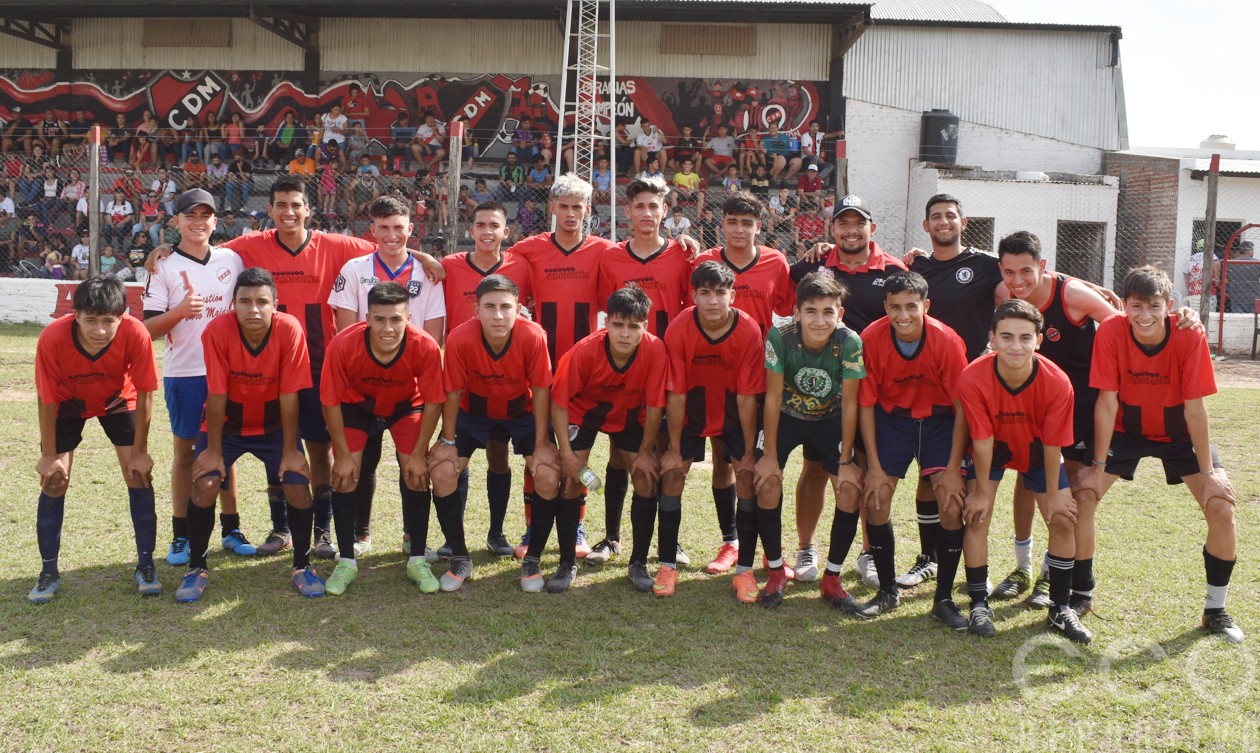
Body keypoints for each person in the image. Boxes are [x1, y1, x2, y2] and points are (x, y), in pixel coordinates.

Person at [1073, 266, 1243, 644]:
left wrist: (1209, 474)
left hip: (1179, 433)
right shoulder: (1112, 331)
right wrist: (1097, 465)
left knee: (1221, 508)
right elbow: (1107, 402)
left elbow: (1195, 409)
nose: (1144, 315)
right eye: (1136, 305)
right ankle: (1081, 593)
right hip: (1125, 431)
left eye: (1154, 305)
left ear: (1169, 305)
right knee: (1083, 497)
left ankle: (1215, 610)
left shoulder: (1188, 333)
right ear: (1124, 305)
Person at [989, 231, 1119, 606]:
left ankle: (1051, 571)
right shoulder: (1004, 295)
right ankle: (1022, 567)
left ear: (1043, 267)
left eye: (1026, 271)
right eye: (1009, 272)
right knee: (1026, 477)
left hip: (1078, 404)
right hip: (1031, 401)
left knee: (1066, 485)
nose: (1017, 281)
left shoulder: (1072, 295)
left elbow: (1120, 326)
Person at [179, 267, 323, 602]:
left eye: (262, 301)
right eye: (245, 301)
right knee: (205, 485)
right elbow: (217, 393)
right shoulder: (218, 330)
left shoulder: (289, 329)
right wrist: (214, 451)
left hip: (274, 426)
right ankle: (196, 567)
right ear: (234, 304)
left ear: (275, 303)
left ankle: (302, 565)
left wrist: (290, 450)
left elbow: (290, 394)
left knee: (297, 486)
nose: (253, 309)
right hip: (228, 425)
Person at [957, 299, 1089, 642]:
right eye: (1007, 337)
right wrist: (981, 493)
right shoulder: (973, 376)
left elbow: (1053, 443)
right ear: (992, 338)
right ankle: (979, 604)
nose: (1016, 346)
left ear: (1038, 341)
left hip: (1037, 449)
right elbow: (982, 440)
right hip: (993, 449)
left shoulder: (1057, 381)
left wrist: (1056, 494)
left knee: (1062, 519)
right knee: (977, 516)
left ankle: (1059, 607)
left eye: (1025, 337)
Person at [29, 276, 160, 603]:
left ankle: (146, 565)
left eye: (108, 321)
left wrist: (141, 451)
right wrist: (49, 455)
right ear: (75, 315)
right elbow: (46, 399)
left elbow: (146, 392)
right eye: (90, 320)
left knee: (137, 474)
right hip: (67, 402)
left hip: (118, 399)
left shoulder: (136, 332)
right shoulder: (52, 337)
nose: (99, 330)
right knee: (55, 480)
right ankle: (48, 572)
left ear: (122, 316)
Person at [141, 188, 250, 567]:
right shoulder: (163, 266)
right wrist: (179, 312)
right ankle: (181, 534)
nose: (198, 222)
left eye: (206, 215)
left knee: (224, 451)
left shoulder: (232, 259)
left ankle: (231, 529)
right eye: (190, 215)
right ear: (177, 221)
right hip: (184, 374)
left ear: (215, 221)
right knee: (186, 453)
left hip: (227, 373)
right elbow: (147, 330)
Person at [430, 275, 560, 592]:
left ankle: (532, 559)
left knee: (546, 473)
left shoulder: (533, 335)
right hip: (474, 413)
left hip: (521, 413)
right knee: (443, 470)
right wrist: (447, 441)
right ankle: (460, 557)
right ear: (476, 310)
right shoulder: (460, 338)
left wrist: (542, 443)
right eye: (489, 307)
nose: (498, 315)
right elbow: (453, 392)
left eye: (506, 307)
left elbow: (541, 389)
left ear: (518, 309)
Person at [855, 271, 969, 624]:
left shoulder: (946, 340)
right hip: (894, 421)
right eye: (895, 307)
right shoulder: (870, 338)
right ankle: (887, 591)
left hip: (939, 422)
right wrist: (874, 467)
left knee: (951, 503)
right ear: (885, 307)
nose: (903, 315)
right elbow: (866, 405)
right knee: (875, 498)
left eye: (911, 306)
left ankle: (943, 599)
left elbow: (962, 407)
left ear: (926, 306)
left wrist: (954, 468)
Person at [320, 282, 447, 595]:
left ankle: (417, 558)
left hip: (406, 405)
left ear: (408, 318)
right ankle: (346, 562)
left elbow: (434, 401)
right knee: (345, 475)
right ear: (367, 318)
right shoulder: (343, 344)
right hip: (357, 406)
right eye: (379, 319)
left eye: (396, 320)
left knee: (416, 473)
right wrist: (343, 456)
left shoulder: (425, 345)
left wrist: (418, 454)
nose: (387, 328)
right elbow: (330, 402)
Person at [691, 192, 795, 576]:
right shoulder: (704, 261)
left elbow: (788, 308)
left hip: (762, 379)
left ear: (759, 227)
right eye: (732, 221)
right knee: (723, 461)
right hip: (716, 376)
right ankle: (730, 541)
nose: (739, 229)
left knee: (762, 464)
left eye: (747, 223)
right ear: (722, 224)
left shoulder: (775, 261)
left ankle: (769, 546)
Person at [545, 285, 667, 593]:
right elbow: (558, 402)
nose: (625, 334)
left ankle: (637, 563)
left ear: (645, 326)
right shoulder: (583, 351)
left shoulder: (655, 350)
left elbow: (655, 406)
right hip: (584, 412)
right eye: (618, 325)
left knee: (644, 477)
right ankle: (566, 564)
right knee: (572, 480)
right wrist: (567, 455)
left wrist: (645, 452)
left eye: (633, 327)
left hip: (629, 414)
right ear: (606, 323)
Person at [753, 273, 865, 608]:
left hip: (829, 418)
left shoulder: (849, 342)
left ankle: (832, 579)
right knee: (767, 481)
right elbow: (772, 398)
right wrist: (769, 456)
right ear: (796, 312)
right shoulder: (780, 336)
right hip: (786, 414)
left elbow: (850, 403)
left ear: (839, 313)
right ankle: (776, 572)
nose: (819, 320)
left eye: (828, 312)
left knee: (849, 488)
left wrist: (846, 460)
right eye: (811, 311)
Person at [656, 261, 765, 597]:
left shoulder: (748, 329)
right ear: (694, 296)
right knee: (672, 474)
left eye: (720, 292)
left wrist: (749, 451)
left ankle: (744, 569)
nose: (713, 300)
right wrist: (674, 448)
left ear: (733, 295)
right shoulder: (679, 327)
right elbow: (676, 393)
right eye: (705, 293)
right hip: (691, 415)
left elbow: (747, 396)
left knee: (745, 475)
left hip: (733, 414)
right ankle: (667, 565)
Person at [439, 200, 534, 558]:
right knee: (455, 460)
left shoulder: (521, 265)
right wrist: (423, 257)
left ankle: (496, 532)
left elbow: (530, 306)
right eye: (481, 225)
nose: (487, 231)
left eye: (494, 225)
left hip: (508, 383)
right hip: (467, 384)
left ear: (505, 232)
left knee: (499, 457)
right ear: (471, 230)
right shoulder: (449, 265)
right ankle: (453, 537)